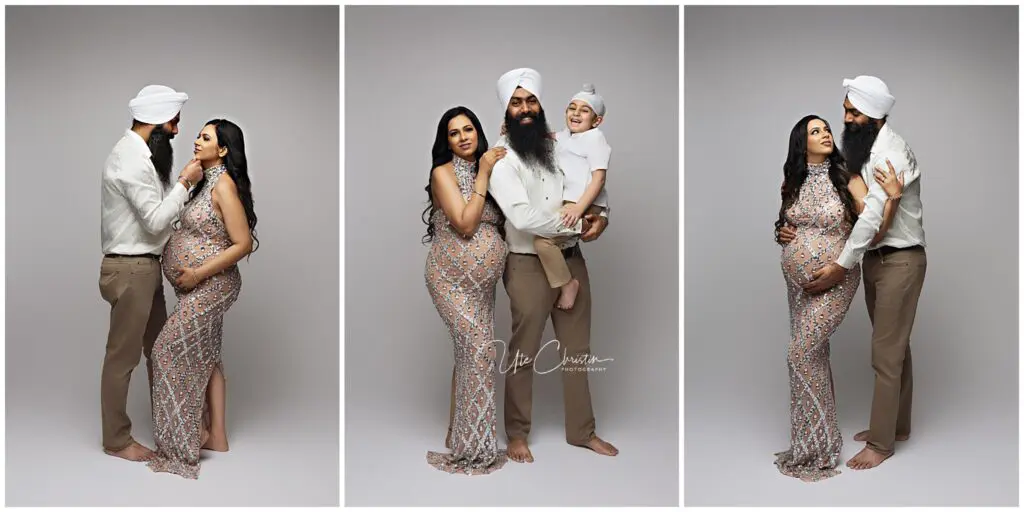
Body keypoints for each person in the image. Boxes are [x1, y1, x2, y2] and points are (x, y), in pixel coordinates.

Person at [782, 76, 926, 471]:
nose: (844, 119)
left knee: (886, 351)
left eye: (852, 113)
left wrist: (839, 266)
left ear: (875, 117)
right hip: (877, 260)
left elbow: (870, 220)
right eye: (845, 110)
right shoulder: (866, 151)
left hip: (900, 257)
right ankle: (897, 425)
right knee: (897, 345)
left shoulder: (888, 155)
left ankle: (880, 444)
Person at [487, 68, 617, 463]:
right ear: (506, 109)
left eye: (531, 101)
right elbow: (523, 218)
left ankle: (582, 431)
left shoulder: (557, 144)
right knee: (524, 351)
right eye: (516, 102)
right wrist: (575, 224)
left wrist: (601, 216)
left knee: (578, 351)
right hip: (527, 263)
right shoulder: (501, 157)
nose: (525, 109)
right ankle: (517, 434)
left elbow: (589, 181)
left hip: (571, 260)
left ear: (540, 105)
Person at [146, 119, 258, 479]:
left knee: (165, 352)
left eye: (205, 137)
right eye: (198, 135)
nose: (196, 140)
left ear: (223, 149)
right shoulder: (202, 182)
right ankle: (218, 438)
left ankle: (186, 440)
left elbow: (242, 244)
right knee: (209, 358)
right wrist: (185, 179)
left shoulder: (223, 185)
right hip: (193, 286)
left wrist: (196, 273)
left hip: (212, 284)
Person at [98, 85, 203, 462]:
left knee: (163, 351)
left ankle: (174, 428)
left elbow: (159, 218)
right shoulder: (130, 160)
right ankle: (116, 440)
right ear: (157, 124)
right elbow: (157, 221)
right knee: (122, 357)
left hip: (144, 269)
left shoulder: (142, 157)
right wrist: (185, 183)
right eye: (174, 122)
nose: (177, 131)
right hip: (131, 270)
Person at [421, 106, 509, 475]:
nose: (463, 137)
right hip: (449, 277)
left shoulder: (492, 168)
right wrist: (484, 173)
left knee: (470, 355)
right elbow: (466, 223)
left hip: (482, 283)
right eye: (453, 133)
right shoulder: (442, 173)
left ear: (478, 132)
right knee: (479, 352)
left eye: (468, 128)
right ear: (446, 141)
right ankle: (473, 446)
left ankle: (457, 433)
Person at [532, 84, 612, 310]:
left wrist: (579, 209)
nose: (576, 113)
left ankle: (568, 284)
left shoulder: (595, 139)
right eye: (572, 108)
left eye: (584, 110)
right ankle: (579, 230)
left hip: (586, 204)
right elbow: (546, 136)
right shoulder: (566, 136)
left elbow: (599, 179)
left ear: (597, 121)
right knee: (545, 238)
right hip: (569, 203)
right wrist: (509, 131)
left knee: (543, 242)